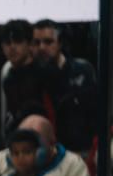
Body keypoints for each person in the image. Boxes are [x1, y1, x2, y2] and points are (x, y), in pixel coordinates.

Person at [31, 19, 98, 162]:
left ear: (60, 43)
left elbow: (95, 114)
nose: (41, 47)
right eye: (36, 43)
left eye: (48, 42)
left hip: (82, 152)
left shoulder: (82, 71)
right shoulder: (30, 75)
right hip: (45, 154)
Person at [0, 19, 41, 140]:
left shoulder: (45, 73)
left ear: (29, 44)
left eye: (18, 41)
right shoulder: (8, 79)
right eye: (7, 42)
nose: (12, 47)